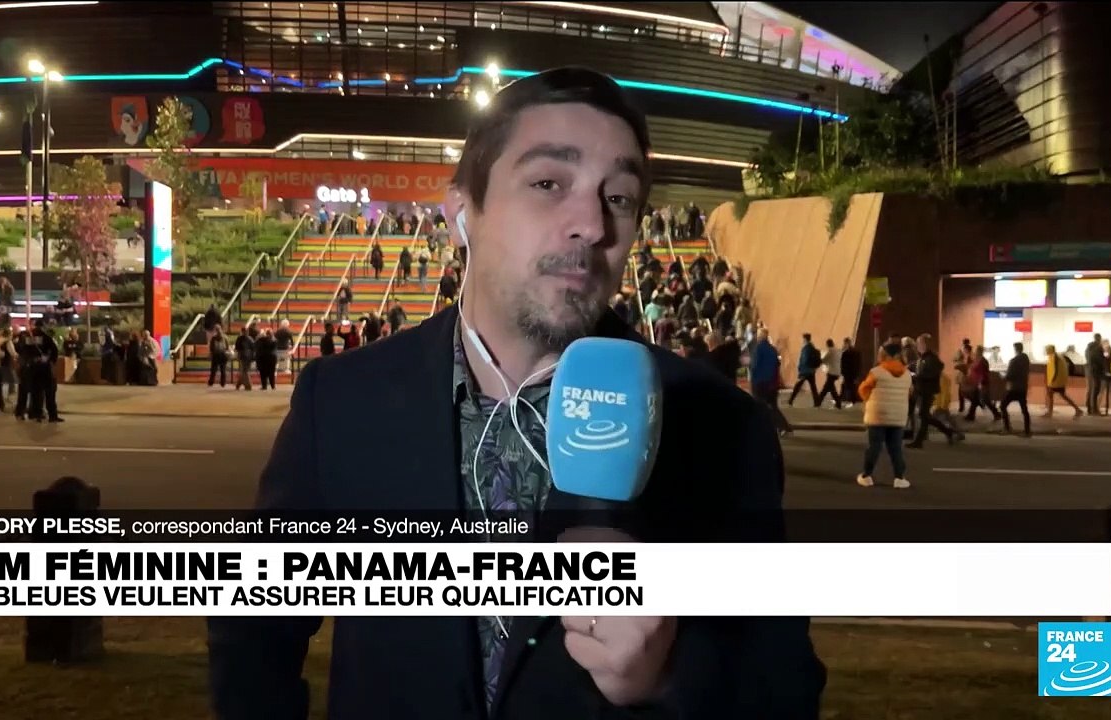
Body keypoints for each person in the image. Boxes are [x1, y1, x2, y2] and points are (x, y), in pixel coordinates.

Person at [208, 66, 823, 720]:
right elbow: (253, 629)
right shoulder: (339, 402)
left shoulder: (721, 428)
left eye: (618, 197)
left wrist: (667, 677)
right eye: (548, 183)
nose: (591, 223)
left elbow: (782, 686)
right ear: (461, 215)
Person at [856, 342, 912, 489]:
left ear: (887, 355)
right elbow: (909, 393)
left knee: (874, 447)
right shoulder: (906, 374)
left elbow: (863, 389)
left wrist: (869, 400)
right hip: (897, 416)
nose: (879, 354)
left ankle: (866, 476)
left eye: (881, 352)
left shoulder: (876, 372)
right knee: (896, 449)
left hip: (877, 415)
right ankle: (899, 478)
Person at [1043, 344, 1083, 418]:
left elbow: (1054, 369)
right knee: (1060, 395)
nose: (1045, 351)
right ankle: (1077, 409)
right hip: (1059, 381)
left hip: (1055, 381)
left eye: (1046, 349)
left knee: (1051, 395)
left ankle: (1050, 413)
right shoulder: (1056, 356)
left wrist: (1052, 380)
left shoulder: (1054, 357)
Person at [1001, 341, 1031, 436]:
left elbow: (1009, 376)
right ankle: (1027, 431)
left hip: (1014, 388)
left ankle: (1007, 428)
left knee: (1002, 406)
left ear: (1015, 349)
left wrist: (1002, 376)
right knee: (1024, 410)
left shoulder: (1014, 361)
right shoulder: (1026, 359)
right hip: (1023, 387)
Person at [788, 333, 821, 407]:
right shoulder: (812, 347)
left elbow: (804, 360)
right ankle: (817, 402)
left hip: (805, 371)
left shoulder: (806, 348)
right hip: (812, 371)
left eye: (803, 339)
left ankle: (791, 400)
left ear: (805, 339)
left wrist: (800, 368)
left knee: (797, 386)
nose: (802, 340)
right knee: (813, 387)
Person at [816, 338, 842, 409]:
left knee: (826, 388)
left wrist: (818, 360)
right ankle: (837, 403)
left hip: (831, 372)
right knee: (830, 388)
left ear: (827, 344)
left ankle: (818, 402)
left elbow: (824, 360)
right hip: (837, 372)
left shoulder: (830, 351)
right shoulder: (837, 351)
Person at [234, 326, 255, 391]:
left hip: (246, 356)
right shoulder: (247, 339)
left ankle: (239, 384)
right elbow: (237, 348)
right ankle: (248, 385)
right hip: (244, 356)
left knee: (244, 371)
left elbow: (237, 348)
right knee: (245, 371)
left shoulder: (243, 339)